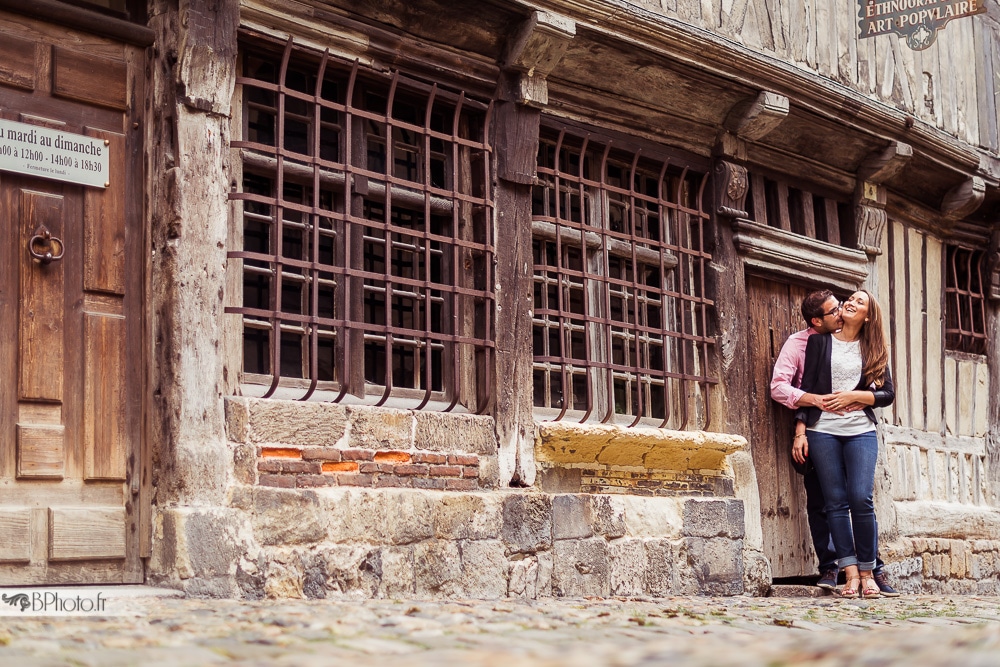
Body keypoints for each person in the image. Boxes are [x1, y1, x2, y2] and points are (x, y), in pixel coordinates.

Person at [770, 289, 899, 597]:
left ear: (868, 315)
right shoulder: (814, 342)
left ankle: (870, 570)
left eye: (855, 303)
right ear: (819, 320)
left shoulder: (874, 347)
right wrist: (801, 429)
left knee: (861, 498)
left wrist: (856, 396)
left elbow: (887, 393)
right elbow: (806, 389)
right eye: (845, 303)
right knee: (832, 503)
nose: (846, 306)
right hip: (822, 430)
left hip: (860, 429)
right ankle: (849, 572)